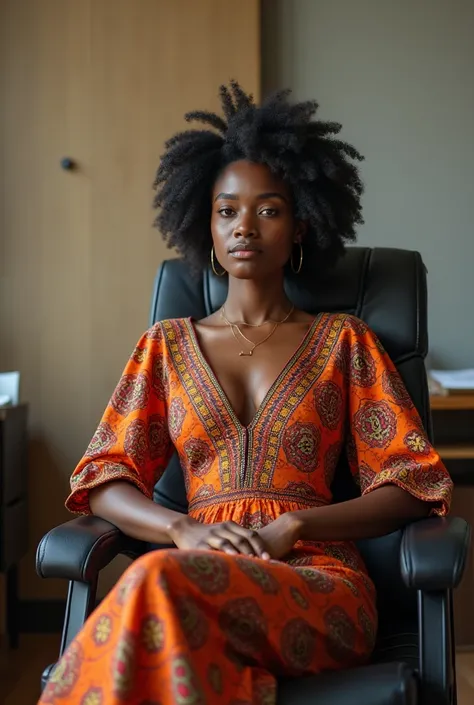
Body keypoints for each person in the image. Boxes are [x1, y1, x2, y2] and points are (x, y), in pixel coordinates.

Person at [38, 82, 452, 705]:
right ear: (205, 225)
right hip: (188, 570)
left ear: (301, 224)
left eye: (269, 209)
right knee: (168, 601)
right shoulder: (164, 345)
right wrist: (181, 530)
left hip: (317, 580)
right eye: (227, 210)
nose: (245, 227)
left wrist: (298, 523)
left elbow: (412, 482)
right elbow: (105, 478)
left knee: (154, 595)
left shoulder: (345, 341)